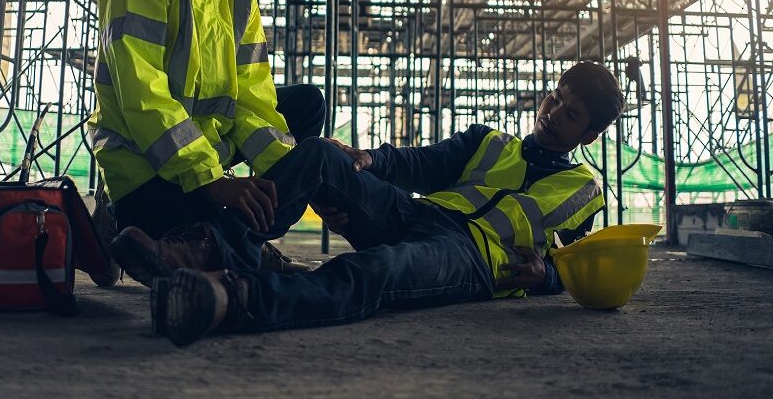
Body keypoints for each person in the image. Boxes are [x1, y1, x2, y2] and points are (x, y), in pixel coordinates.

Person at [112, 61, 624, 346]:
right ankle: (207, 248)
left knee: (373, 270)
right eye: (555, 98)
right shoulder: (491, 141)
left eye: (572, 113)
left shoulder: (585, 189)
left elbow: (573, 261)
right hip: (415, 213)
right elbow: (422, 163)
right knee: (316, 155)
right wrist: (367, 161)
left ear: (592, 133)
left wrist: (546, 278)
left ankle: (232, 298)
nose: (553, 113)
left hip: (470, 259)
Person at [87, 0, 324, 274]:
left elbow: (254, 98)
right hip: (146, 171)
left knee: (308, 107)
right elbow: (144, 96)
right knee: (203, 207)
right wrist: (212, 181)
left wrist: (298, 178)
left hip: (207, 156)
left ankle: (210, 243)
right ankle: (184, 234)